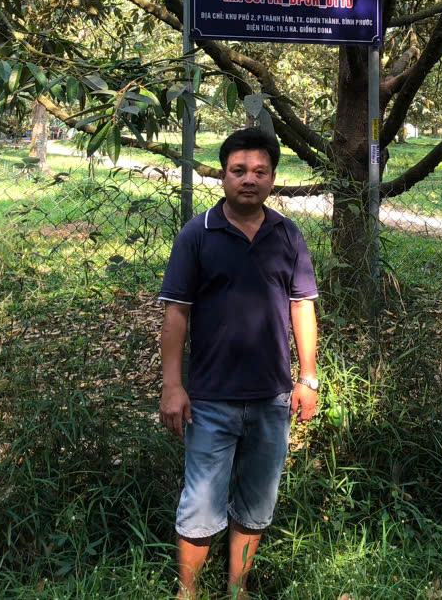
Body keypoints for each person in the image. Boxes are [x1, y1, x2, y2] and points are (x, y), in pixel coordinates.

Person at [158, 127, 320, 598]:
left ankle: (237, 591)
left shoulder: (287, 235)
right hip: (210, 398)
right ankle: (188, 594)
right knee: (200, 504)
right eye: (239, 170)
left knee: (256, 502)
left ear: (272, 178)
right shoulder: (198, 234)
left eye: (260, 171)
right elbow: (176, 312)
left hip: (272, 396)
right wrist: (173, 385)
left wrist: (307, 378)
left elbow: (302, 305)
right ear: (223, 176)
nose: (249, 179)